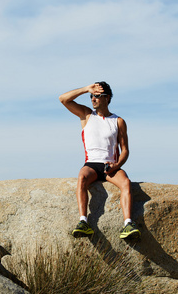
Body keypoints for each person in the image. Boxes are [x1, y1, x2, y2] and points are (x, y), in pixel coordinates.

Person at [59, 81, 141, 239]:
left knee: (126, 183)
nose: (93, 99)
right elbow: (63, 99)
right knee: (82, 177)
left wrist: (116, 165)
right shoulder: (86, 115)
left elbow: (125, 150)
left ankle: (128, 224)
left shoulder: (118, 121)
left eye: (97, 96)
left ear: (107, 98)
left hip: (110, 165)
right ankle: (83, 222)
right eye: (91, 96)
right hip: (91, 164)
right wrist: (85, 89)